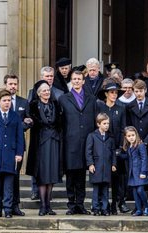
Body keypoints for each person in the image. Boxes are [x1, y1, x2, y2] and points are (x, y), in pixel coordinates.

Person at [0, 74, 32, 215]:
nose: (13, 86)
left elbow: (25, 123)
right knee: (0, 180)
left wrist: (23, 125)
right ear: (5, 85)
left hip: (14, 148)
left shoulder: (23, 102)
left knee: (14, 178)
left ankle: (14, 206)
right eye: (10, 84)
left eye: (15, 84)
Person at [59, 70, 97, 215]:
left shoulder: (91, 99)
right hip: (70, 142)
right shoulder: (63, 99)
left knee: (81, 176)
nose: (76, 81)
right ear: (71, 81)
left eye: (79, 79)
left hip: (86, 142)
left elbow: (94, 120)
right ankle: (71, 205)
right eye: (74, 79)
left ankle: (80, 204)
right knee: (70, 176)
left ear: (83, 81)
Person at [0, 89, 24, 218]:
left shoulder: (15, 116)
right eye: (4, 101)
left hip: (11, 154)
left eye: (8, 100)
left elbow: (19, 136)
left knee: (8, 184)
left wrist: (19, 153)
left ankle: (8, 209)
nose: (7, 103)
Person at [26, 80, 63, 216]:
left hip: (54, 142)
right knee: (42, 175)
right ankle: (42, 206)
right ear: (38, 93)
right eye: (44, 90)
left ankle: (48, 205)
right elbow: (31, 122)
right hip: (40, 143)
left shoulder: (56, 105)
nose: (46, 92)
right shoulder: (34, 105)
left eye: (48, 90)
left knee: (52, 174)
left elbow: (60, 123)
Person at [126, 79, 148, 215]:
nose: (139, 94)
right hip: (134, 147)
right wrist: (134, 142)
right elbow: (129, 126)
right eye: (136, 91)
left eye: (141, 91)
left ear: (145, 91)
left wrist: (145, 142)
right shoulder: (130, 107)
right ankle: (138, 205)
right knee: (135, 175)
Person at [97, 82, 129, 214]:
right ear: (106, 94)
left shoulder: (121, 109)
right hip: (103, 147)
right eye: (111, 92)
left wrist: (121, 147)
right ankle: (102, 204)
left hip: (117, 148)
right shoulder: (100, 108)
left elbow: (123, 129)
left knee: (118, 178)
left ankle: (117, 203)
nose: (114, 95)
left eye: (116, 92)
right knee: (103, 177)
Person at [85, 113, 116, 216]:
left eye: (108, 123)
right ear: (98, 124)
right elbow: (88, 151)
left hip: (106, 166)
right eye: (104, 123)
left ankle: (105, 208)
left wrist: (113, 164)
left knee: (105, 189)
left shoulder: (110, 138)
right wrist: (90, 164)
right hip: (96, 166)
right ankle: (95, 208)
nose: (107, 125)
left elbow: (113, 152)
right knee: (96, 189)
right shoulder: (92, 136)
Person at [123, 126, 148, 216]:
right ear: (126, 137)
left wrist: (143, 172)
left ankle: (146, 206)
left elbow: (144, 159)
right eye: (129, 136)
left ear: (136, 135)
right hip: (132, 173)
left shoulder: (140, 145)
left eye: (133, 135)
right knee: (135, 192)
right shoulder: (129, 147)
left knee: (140, 190)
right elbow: (129, 158)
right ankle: (139, 209)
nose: (131, 137)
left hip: (140, 172)